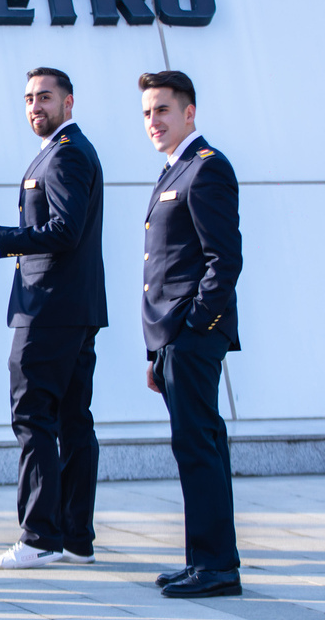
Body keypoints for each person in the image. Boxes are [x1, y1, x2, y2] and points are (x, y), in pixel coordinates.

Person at [0, 68, 106, 569]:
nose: (35, 106)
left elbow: (64, 231)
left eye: (45, 97)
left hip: (49, 308)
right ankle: (75, 538)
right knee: (73, 421)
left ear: (68, 102)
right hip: (71, 308)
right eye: (29, 97)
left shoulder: (67, 152)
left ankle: (38, 538)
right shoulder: (63, 149)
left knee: (33, 418)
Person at [138, 70, 243, 598]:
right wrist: (160, 348)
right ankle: (204, 558)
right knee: (198, 447)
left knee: (198, 447)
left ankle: (218, 568)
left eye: (162, 110)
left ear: (189, 112)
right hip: (175, 337)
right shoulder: (173, 170)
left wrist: (192, 328)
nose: (153, 121)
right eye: (147, 113)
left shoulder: (207, 169)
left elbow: (224, 261)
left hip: (193, 334)